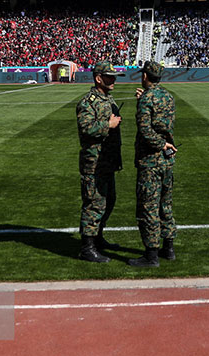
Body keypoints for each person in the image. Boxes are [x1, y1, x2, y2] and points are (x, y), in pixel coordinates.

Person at [128, 61, 177, 268]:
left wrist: (160, 143)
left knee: (148, 207)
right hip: (167, 160)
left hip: (151, 160)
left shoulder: (147, 98)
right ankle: (169, 247)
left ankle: (151, 254)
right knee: (165, 205)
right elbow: (163, 122)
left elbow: (146, 131)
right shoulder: (167, 96)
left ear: (145, 76)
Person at [76, 61, 125, 262]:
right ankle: (87, 247)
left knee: (109, 200)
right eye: (109, 76)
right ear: (98, 78)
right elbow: (86, 128)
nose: (113, 80)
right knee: (94, 203)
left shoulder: (108, 99)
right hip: (94, 161)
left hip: (107, 160)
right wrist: (109, 124)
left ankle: (97, 237)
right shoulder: (88, 102)